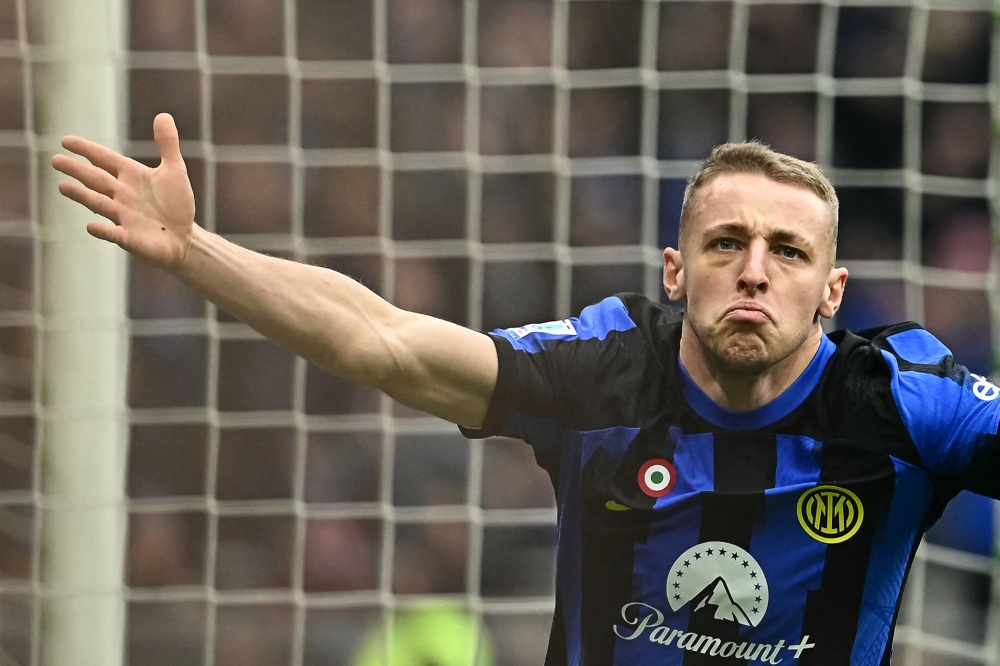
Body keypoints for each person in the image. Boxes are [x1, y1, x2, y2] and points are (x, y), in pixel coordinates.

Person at [54, 113, 1000, 665]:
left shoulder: (904, 403)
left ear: (832, 292)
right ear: (678, 271)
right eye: (727, 243)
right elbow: (384, 340)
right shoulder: (607, 370)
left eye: (788, 251)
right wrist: (196, 252)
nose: (755, 271)